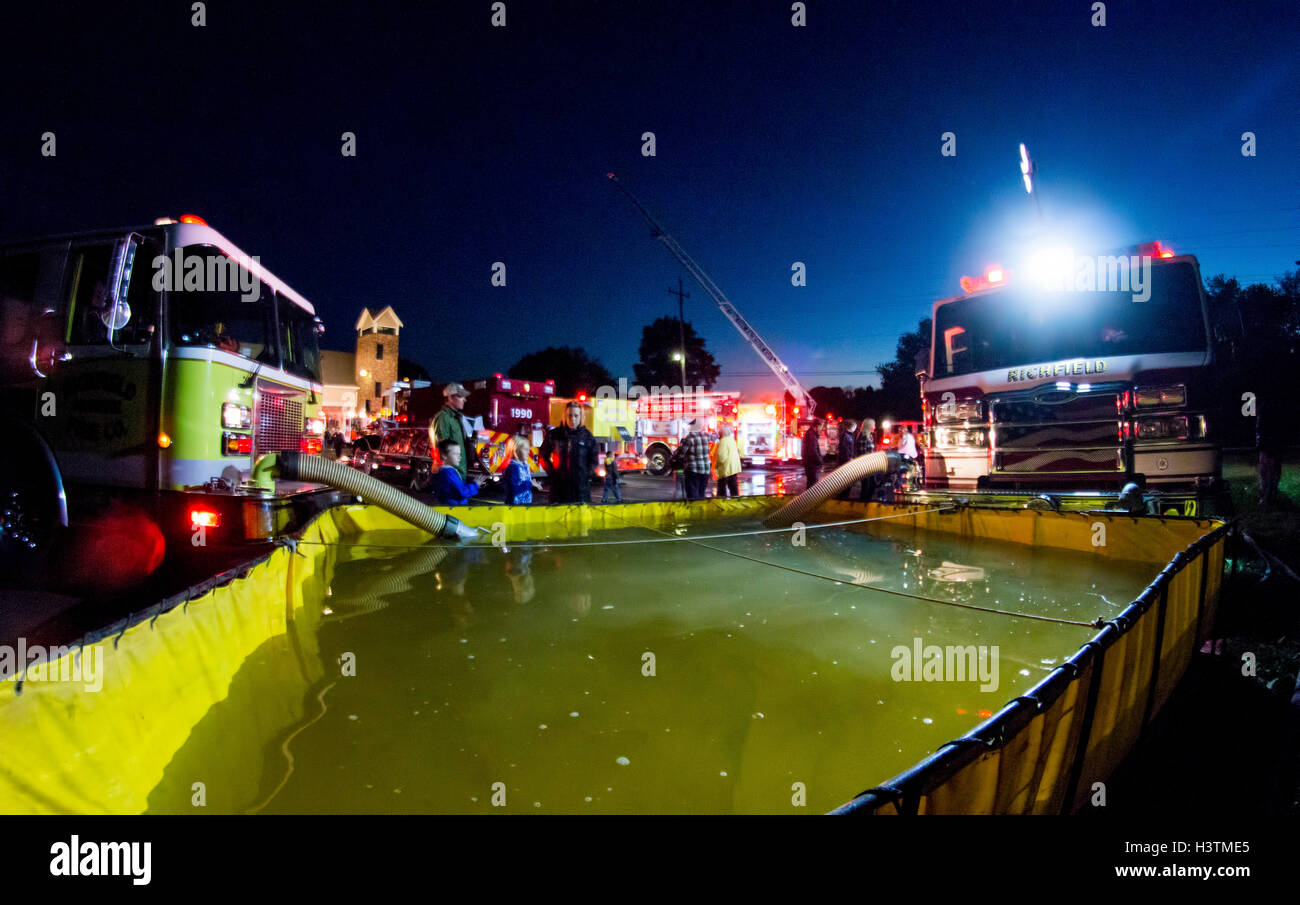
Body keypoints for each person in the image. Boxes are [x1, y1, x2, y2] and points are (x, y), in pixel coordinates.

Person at [541, 401, 597, 504]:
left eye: (576, 416)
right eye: (569, 415)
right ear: (565, 416)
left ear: (581, 417)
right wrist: (553, 474)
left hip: (580, 492)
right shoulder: (554, 435)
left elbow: (594, 460)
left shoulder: (588, 437)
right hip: (559, 491)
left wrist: (585, 476)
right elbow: (543, 456)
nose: (573, 419)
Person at [432, 382, 472, 481]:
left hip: (459, 473)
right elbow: (442, 448)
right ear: (450, 398)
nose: (465, 399)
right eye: (460, 396)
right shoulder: (443, 418)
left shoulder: (457, 418)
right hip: (451, 475)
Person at [433, 438, 484, 505]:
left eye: (459, 454)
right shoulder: (449, 474)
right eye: (455, 454)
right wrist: (475, 485)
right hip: (455, 507)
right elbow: (461, 493)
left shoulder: (443, 471)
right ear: (444, 456)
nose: (460, 457)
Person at [675, 418, 712, 500]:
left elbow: (680, 454)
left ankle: (694, 507)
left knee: (692, 495)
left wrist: (674, 457)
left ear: (692, 427)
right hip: (706, 470)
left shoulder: (689, 438)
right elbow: (714, 439)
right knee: (701, 494)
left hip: (693, 470)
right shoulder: (706, 436)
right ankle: (700, 506)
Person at [502, 434, 535, 505]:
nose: (529, 452)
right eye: (525, 449)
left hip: (525, 503)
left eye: (529, 449)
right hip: (515, 505)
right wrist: (530, 483)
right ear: (515, 451)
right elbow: (513, 487)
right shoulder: (513, 467)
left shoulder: (524, 466)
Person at [712, 423, 741, 498]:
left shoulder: (723, 441)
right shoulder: (732, 440)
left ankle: (721, 502)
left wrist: (716, 467)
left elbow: (721, 457)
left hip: (725, 468)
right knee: (733, 487)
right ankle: (735, 501)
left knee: (722, 489)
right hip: (733, 467)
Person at [836, 419, 859, 499]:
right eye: (855, 427)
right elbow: (845, 449)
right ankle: (843, 497)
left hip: (846, 461)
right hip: (845, 462)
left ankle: (843, 496)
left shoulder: (848, 435)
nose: (856, 428)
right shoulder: (846, 436)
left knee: (846, 482)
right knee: (846, 482)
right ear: (851, 427)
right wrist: (849, 458)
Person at [857, 417, 878, 501]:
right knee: (867, 485)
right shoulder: (863, 436)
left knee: (871, 484)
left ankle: (866, 501)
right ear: (869, 426)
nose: (875, 427)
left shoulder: (869, 436)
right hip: (866, 465)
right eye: (873, 425)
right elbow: (863, 453)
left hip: (870, 464)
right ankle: (864, 502)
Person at [802, 419, 823, 489]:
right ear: (817, 426)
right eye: (820, 427)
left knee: (810, 485)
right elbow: (813, 451)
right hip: (812, 464)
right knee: (813, 486)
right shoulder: (812, 436)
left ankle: (808, 496)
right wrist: (820, 461)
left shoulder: (811, 433)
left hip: (809, 464)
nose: (821, 429)